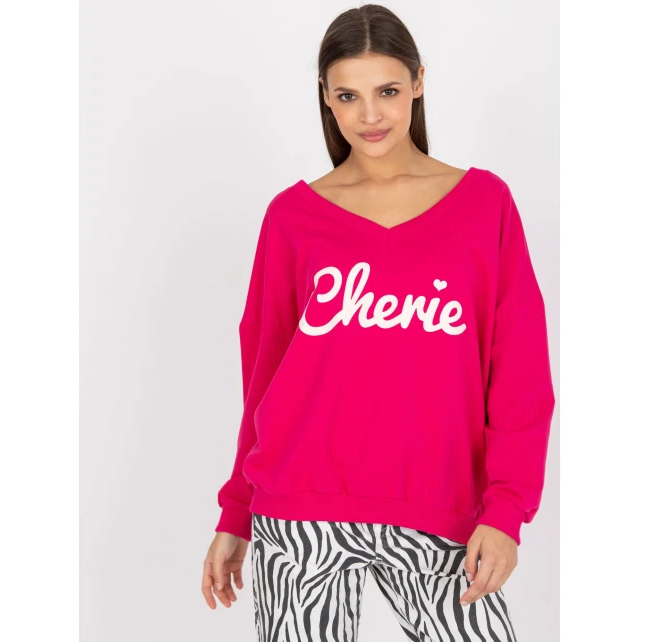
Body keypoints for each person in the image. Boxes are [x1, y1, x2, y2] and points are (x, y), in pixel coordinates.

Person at [202, 4, 555, 641]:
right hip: (299, 511)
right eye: (348, 96)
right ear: (325, 97)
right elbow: (263, 380)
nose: (370, 115)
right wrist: (237, 510)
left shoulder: (485, 205)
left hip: (442, 509)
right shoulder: (292, 218)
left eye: (387, 91)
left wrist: (506, 510)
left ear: (418, 82)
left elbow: (521, 377)